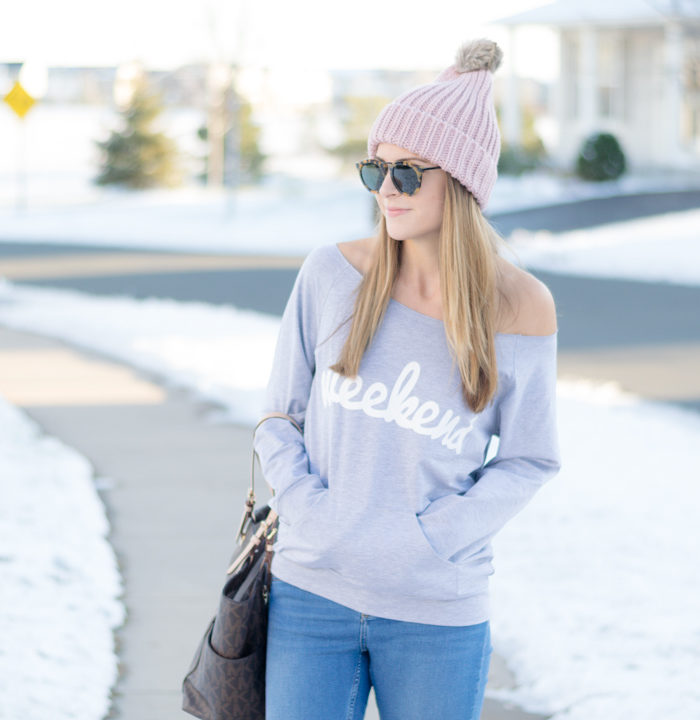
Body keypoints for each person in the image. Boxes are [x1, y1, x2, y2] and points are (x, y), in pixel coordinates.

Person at [254, 38, 562, 720]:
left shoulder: (520, 307)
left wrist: (430, 538)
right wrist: (314, 512)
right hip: (312, 594)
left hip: (436, 610)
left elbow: (530, 457)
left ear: (461, 182)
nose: (386, 191)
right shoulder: (331, 275)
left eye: (409, 174)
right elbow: (279, 416)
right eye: (376, 171)